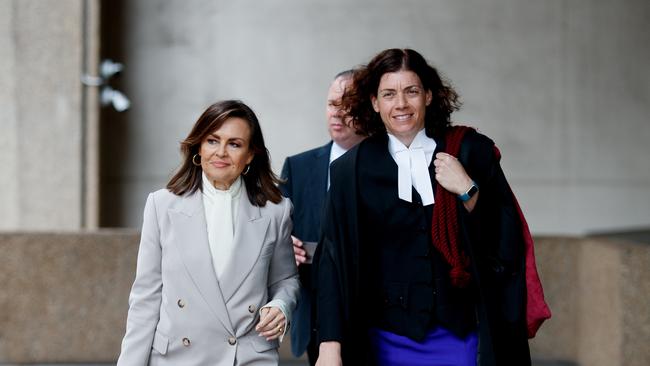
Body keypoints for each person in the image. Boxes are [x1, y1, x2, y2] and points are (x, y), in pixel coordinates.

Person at [313, 49, 531, 366]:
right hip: (382, 337)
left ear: (428, 96)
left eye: (411, 91)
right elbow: (332, 263)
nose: (400, 104)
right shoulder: (351, 171)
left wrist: (469, 191)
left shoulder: (470, 152)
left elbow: (506, 241)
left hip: (460, 333)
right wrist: (329, 346)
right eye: (389, 94)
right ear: (374, 102)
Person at [117, 100, 299, 365]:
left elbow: (286, 280)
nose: (221, 152)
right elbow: (146, 298)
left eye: (234, 144)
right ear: (199, 148)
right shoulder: (162, 205)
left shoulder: (276, 211)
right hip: (178, 358)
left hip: (246, 357)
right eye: (213, 141)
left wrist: (281, 306)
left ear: (250, 155)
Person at [279, 70, 365, 365]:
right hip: (314, 312)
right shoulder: (297, 166)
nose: (337, 113)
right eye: (331, 104)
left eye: (348, 105)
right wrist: (284, 246)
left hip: (375, 313)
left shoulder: (389, 165)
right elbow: (276, 234)